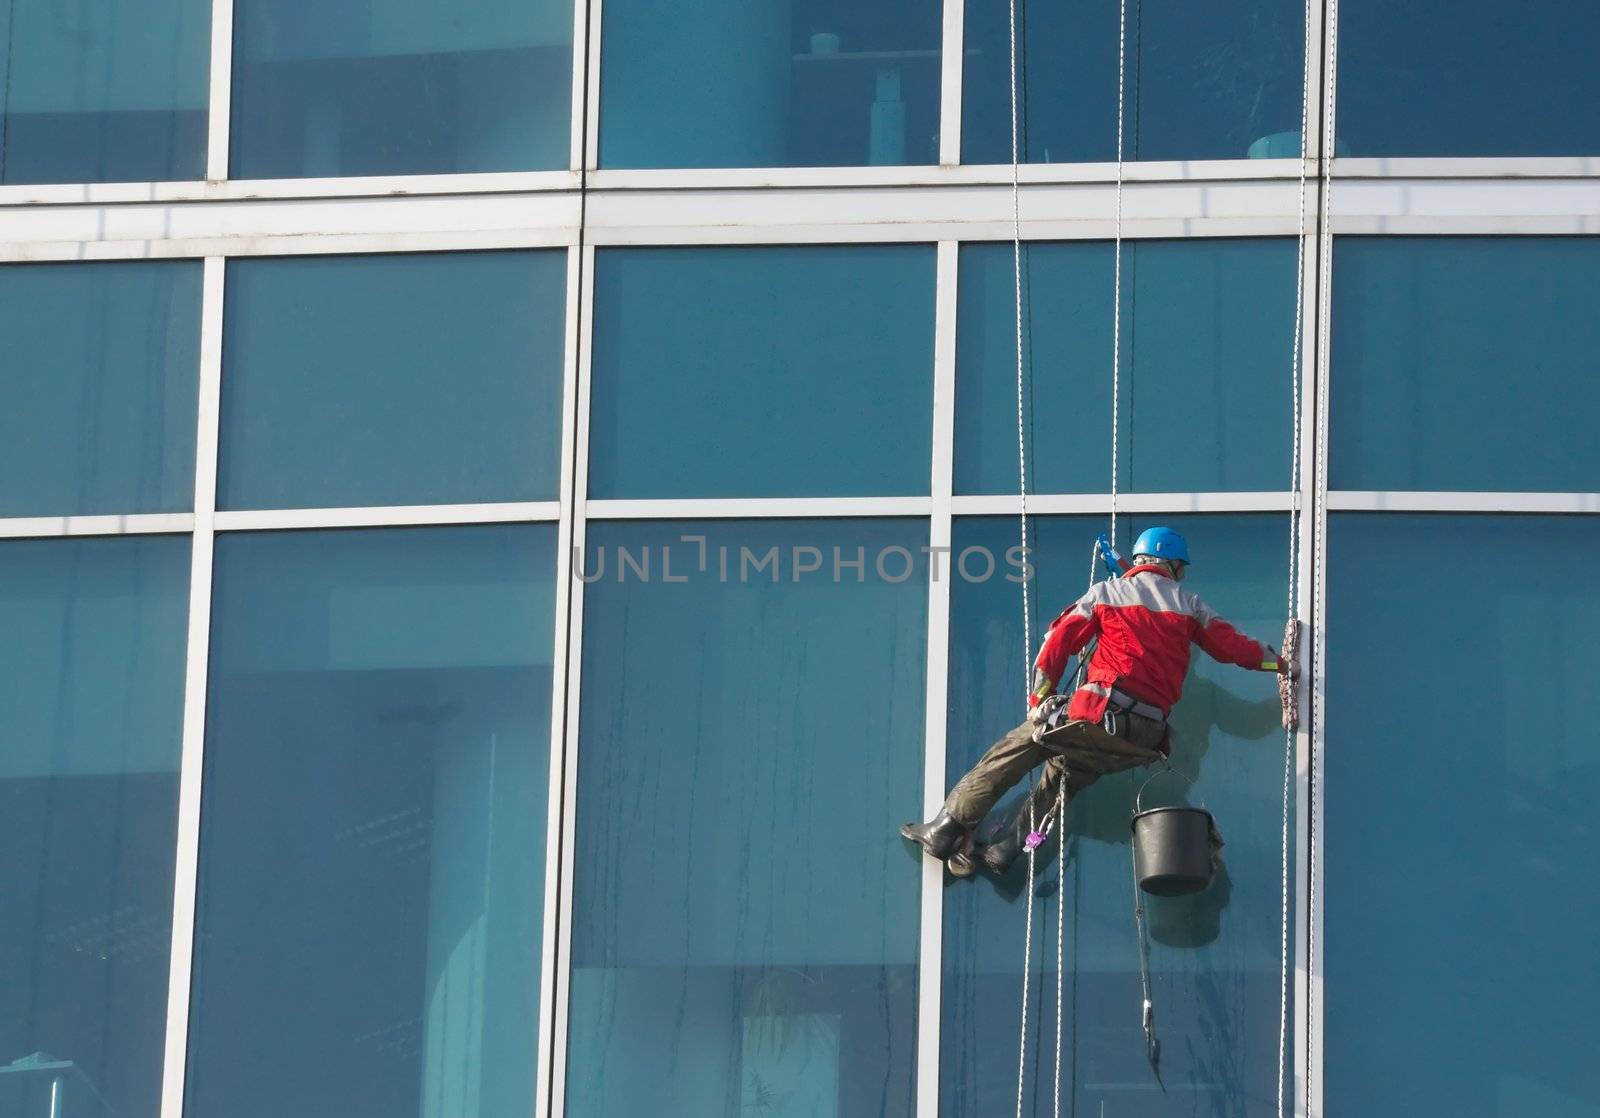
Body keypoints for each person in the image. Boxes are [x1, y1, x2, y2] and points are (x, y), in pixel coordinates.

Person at [901, 527, 1296, 877]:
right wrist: (1279, 663)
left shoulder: (1108, 593)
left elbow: (1059, 641)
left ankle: (946, 829)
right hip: (1142, 738)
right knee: (1063, 775)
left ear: (1143, 560)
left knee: (1017, 747)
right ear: (1171, 565)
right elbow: (1235, 649)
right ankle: (1003, 850)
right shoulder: (1189, 606)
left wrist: (1039, 699)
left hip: (1097, 714)